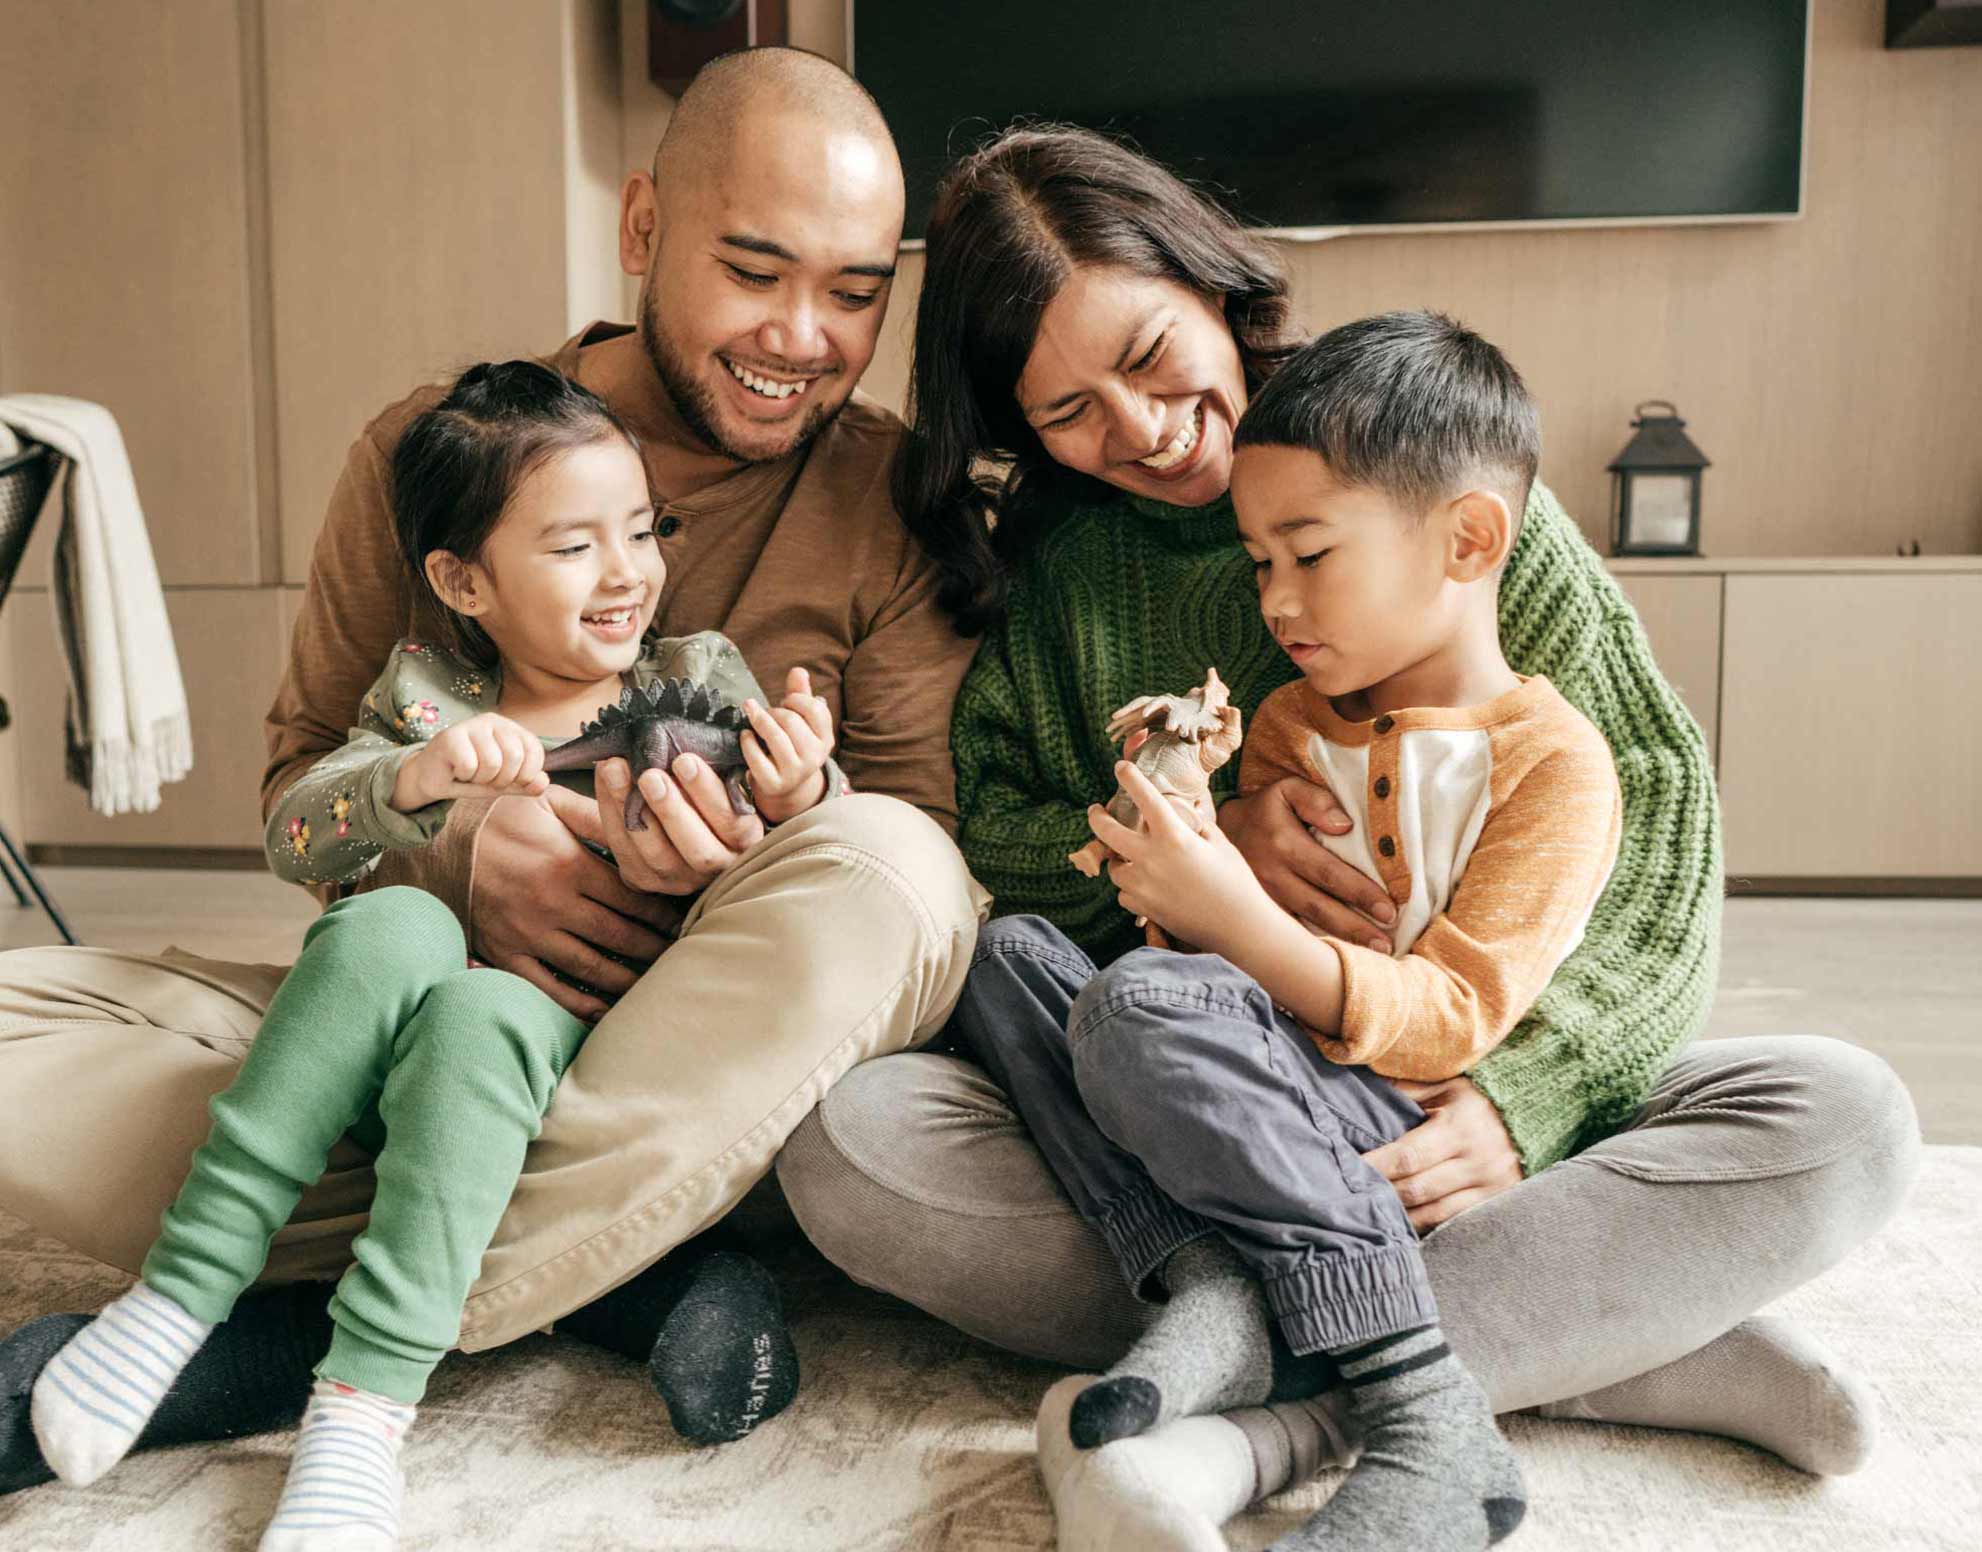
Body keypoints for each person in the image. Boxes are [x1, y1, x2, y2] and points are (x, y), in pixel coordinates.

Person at [773, 123, 1919, 1543]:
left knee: (1840, 1114)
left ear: (1208, 286)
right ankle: (1619, 1343)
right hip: (1199, 1094)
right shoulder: (1057, 584)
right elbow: (985, 841)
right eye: (1065, 412)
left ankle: (1284, 1402)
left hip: (1442, 1092)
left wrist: (1527, 1100)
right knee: (855, 1140)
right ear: (1013, 428)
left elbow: (1657, 821)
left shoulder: (1434, 492)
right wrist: (1201, 843)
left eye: (1146, 356)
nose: (1133, 428)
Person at [0, 48, 986, 1495]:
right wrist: (455, 845)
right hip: (427, 1015)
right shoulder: (427, 457)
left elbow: (911, 884)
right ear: (643, 230)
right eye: (756, 271)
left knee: (895, 876)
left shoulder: (885, 498)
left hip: (693, 1053)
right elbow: (298, 789)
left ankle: (280, 1337)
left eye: (853, 291)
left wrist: (773, 825)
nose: (804, 336)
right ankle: (602, 1273)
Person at [32, 360, 845, 1548]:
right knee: (394, 925)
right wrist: (412, 783)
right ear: (464, 580)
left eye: (642, 529)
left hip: (597, 1060)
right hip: (388, 1050)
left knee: (482, 1015)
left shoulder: (697, 679)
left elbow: (809, 882)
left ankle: (364, 1401)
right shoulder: (424, 700)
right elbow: (292, 832)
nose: (627, 572)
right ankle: (179, 1297)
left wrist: (802, 782)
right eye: (573, 548)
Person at [962, 311, 1625, 1552]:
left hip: (1399, 1122)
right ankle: (1206, 1278)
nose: (1272, 600)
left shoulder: (1553, 768)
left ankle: (1418, 1400)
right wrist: (1173, 822)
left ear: (1468, 540)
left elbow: (1446, 1024)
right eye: (1257, 560)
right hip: (1248, 1094)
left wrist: (1224, 920)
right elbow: (1191, 992)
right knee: (1002, 960)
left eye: (1306, 554)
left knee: (1137, 1007)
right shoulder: (1279, 729)